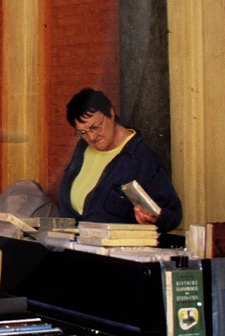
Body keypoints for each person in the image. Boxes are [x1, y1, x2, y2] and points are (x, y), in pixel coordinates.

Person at [56, 88, 181, 231]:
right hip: (75, 247)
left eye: (95, 127)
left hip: (114, 250)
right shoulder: (83, 147)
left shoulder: (141, 157)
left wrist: (155, 218)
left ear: (111, 113)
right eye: (82, 132)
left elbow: (172, 214)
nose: (91, 137)